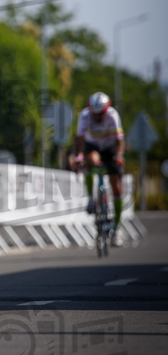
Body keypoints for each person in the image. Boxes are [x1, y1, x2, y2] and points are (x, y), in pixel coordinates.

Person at [74, 92, 125, 247]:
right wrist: (78, 156)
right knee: (89, 160)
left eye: (100, 114)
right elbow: (79, 140)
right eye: (94, 114)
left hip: (110, 147)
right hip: (93, 145)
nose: (97, 117)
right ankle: (91, 198)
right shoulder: (84, 116)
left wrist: (119, 156)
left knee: (116, 185)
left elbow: (120, 141)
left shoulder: (113, 116)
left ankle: (117, 229)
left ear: (106, 110)